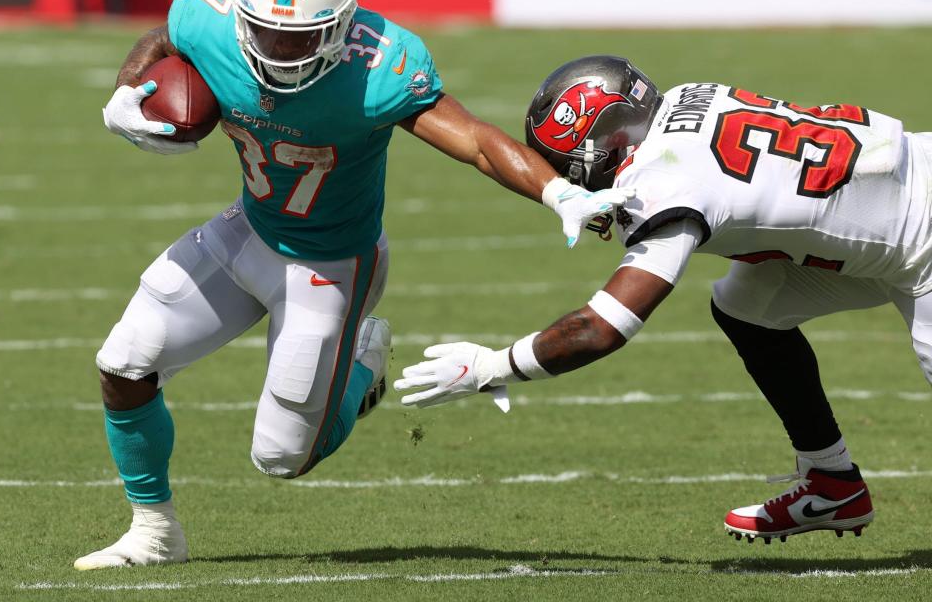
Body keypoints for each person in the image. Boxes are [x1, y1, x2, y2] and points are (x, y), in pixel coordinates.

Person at [75, 0, 630, 570]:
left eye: (299, 36)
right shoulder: (207, 10)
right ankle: (154, 529)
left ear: (340, 23)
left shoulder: (381, 69)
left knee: (281, 457)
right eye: (266, 32)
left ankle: (363, 363)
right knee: (124, 363)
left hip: (331, 264)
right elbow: (164, 39)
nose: (278, 50)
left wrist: (556, 191)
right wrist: (125, 93)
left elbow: (476, 140)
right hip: (247, 229)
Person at [395, 54, 932, 543]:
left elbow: (602, 327)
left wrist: (495, 366)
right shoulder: (687, 97)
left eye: (568, 166)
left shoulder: (663, 184)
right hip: (902, 192)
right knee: (748, 307)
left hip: (921, 241)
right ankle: (831, 480)